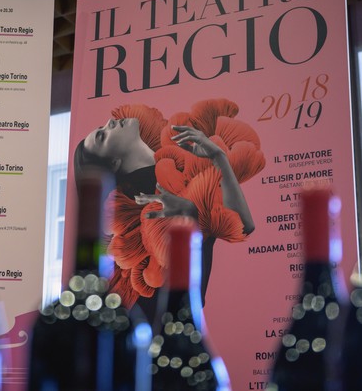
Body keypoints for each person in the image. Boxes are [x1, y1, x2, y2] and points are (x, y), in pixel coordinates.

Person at [73, 99, 266, 322]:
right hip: (167, 330)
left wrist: (219, 157)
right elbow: (168, 301)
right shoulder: (136, 207)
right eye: (102, 136)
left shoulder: (186, 160)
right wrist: (192, 215)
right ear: (114, 163)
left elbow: (243, 226)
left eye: (103, 128)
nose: (109, 122)